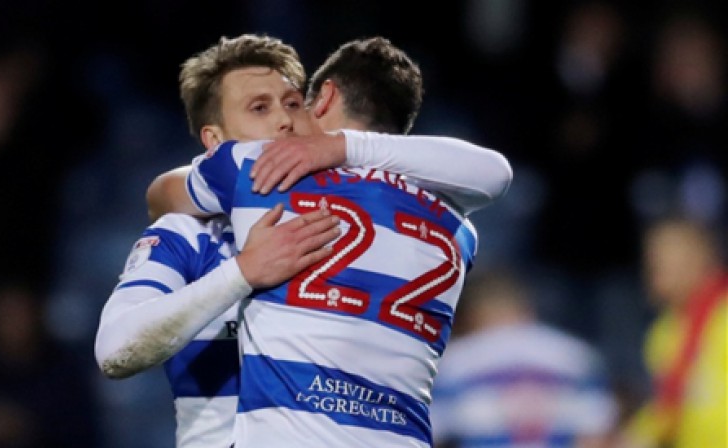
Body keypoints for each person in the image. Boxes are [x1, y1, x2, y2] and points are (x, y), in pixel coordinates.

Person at [181, 37, 512, 447]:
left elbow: (163, 193)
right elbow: (496, 172)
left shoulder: (259, 168)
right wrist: (347, 148)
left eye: (296, 102)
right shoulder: (458, 228)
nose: (287, 120)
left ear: (324, 98)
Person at [94, 34, 341, 448]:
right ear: (214, 141)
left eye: (294, 104)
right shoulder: (188, 237)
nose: (284, 120)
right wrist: (243, 273)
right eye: (259, 108)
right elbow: (114, 351)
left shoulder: (349, 226)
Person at [430, 269, 618, 448]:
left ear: (473, 315)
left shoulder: (456, 362)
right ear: (527, 308)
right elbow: (598, 435)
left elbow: (431, 435)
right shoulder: (576, 356)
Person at [619, 216, 727, 448]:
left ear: (702, 257)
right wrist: (633, 436)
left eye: (666, 257)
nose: (654, 267)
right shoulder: (663, 332)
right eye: (652, 258)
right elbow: (668, 405)